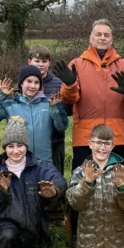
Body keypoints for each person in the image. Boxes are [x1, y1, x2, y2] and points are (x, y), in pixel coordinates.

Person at [54, 18, 124, 170]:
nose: (102, 38)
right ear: (90, 38)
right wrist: (70, 85)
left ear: (112, 40)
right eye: (98, 34)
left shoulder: (122, 64)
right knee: (84, 184)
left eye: (106, 35)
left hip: (115, 137)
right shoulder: (77, 64)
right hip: (86, 138)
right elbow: (70, 99)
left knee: (118, 184)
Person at [0, 117, 67, 248]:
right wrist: (0, 191)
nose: (16, 150)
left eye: (20, 145)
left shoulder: (40, 167)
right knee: (9, 237)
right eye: (10, 146)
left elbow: (60, 181)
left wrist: (53, 191)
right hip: (2, 227)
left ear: (26, 146)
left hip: (32, 226)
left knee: (28, 245)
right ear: (4, 148)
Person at [66, 124, 124, 248]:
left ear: (112, 146)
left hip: (117, 247)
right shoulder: (80, 172)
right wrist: (87, 183)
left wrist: (123, 188)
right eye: (98, 142)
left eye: (107, 143)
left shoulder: (121, 171)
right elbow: (74, 204)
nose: (102, 147)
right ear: (90, 144)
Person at [0, 65, 68, 163]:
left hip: (43, 163)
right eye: (29, 81)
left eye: (36, 82)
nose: (33, 86)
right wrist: (1, 95)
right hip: (19, 163)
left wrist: (56, 108)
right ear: (21, 83)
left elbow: (62, 127)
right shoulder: (11, 104)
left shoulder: (48, 104)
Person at [27, 44, 72, 174]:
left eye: (44, 61)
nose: (40, 64)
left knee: (55, 178)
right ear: (29, 62)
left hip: (55, 141)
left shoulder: (59, 84)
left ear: (49, 63)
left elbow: (69, 110)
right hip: (30, 141)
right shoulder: (23, 84)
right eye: (37, 61)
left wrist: (57, 106)